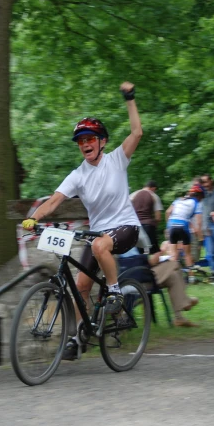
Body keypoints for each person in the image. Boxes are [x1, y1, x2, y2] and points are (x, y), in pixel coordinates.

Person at [21, 81, 142, 358]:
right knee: (81, 287)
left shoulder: (116, 160)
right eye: (81, 141)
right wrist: (33, 217)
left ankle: (115, 293)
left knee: (100, 246)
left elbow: (137, 132)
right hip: (98, 233)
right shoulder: (78, 175)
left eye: (90, 139)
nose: (85, 144)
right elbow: (54, 200)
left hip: (125, 228)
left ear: (102, 142)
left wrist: (129, 99)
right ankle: (77, 338)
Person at [118, 243, 200, 327]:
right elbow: (151, 261)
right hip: (139, 279)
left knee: (173, 276)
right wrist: (160, 252)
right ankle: (185, 301)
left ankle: (179, 318)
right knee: (174, 264)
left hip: (138, 274)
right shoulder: (130, 239)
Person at [165, 184, 204, 280]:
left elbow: (168, 212)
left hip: (172, 225)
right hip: (183, 226)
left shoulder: (178, 200)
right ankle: (191, 278)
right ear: (199, 196)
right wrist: (200, 238)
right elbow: (198, 223)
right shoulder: (196, 204)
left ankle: (170, 277)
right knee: (187, 254)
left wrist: (168, 226)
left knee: (173, 254)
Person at [130, 180, 163, 254]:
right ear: (153, 188)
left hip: (135, 226)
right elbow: (158, 217)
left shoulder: (132, 195)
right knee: (154, 252)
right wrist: (155, 226)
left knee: (139, 252)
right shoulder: (154, 196)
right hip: (148, 225)